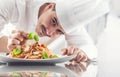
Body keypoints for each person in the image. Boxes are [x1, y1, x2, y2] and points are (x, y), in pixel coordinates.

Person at [0, 0, 109, 62]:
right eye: (53, 21)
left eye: (60, 31)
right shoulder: (15, 3)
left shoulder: (68, 21)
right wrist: (9, 44)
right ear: (50, 6)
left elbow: (90, 48)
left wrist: (80, 52)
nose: (49, 32)